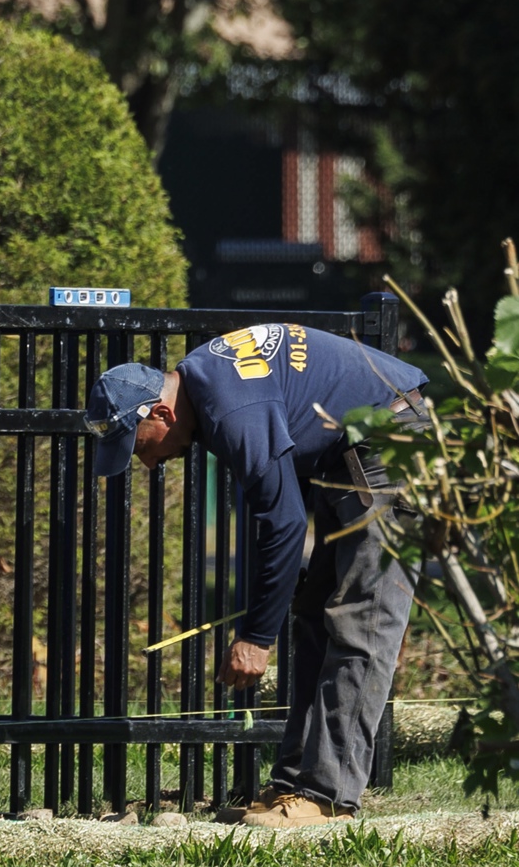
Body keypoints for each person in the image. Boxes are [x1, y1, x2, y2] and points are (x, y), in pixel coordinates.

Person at [87, 322, 430, 829]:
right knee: (316, 615)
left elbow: (285, 523)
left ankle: (328, 797)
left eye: (139, 446)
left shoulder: (231, 410)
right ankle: (293, 786)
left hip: (391, 436)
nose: (148, 463)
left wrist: (256, 638)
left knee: (363, 620)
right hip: (353, 445)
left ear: (161, 413)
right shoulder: (207, 380)